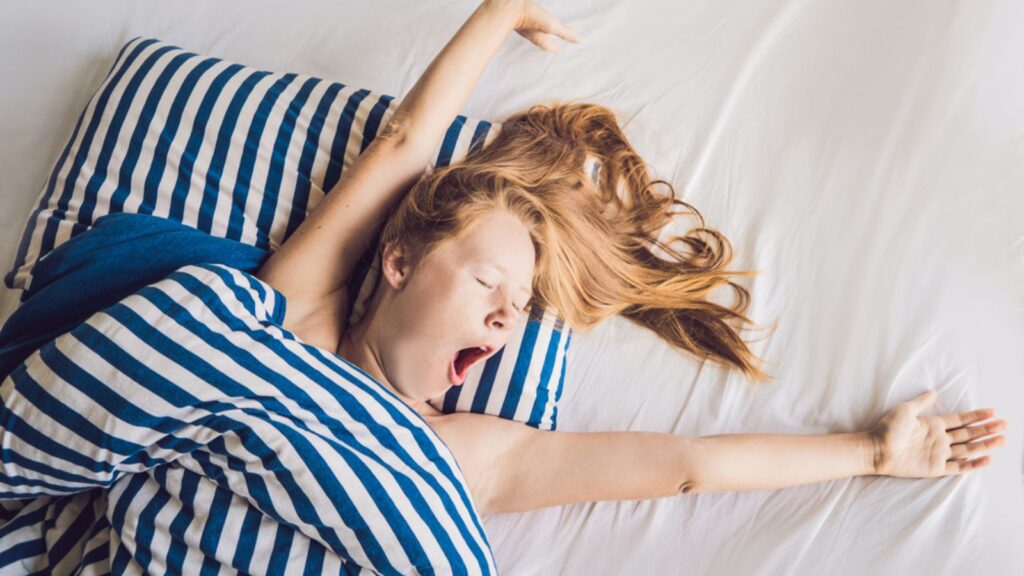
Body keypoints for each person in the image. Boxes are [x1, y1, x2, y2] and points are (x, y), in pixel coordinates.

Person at [256, 0, 1006, 515]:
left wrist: (875, 453)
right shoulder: (290, 324)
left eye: (518, 305)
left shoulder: (460, 457)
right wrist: (497, 12)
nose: (505, 317)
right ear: (397, 260)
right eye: (489, 282)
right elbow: (402, 142)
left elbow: (688, 468)